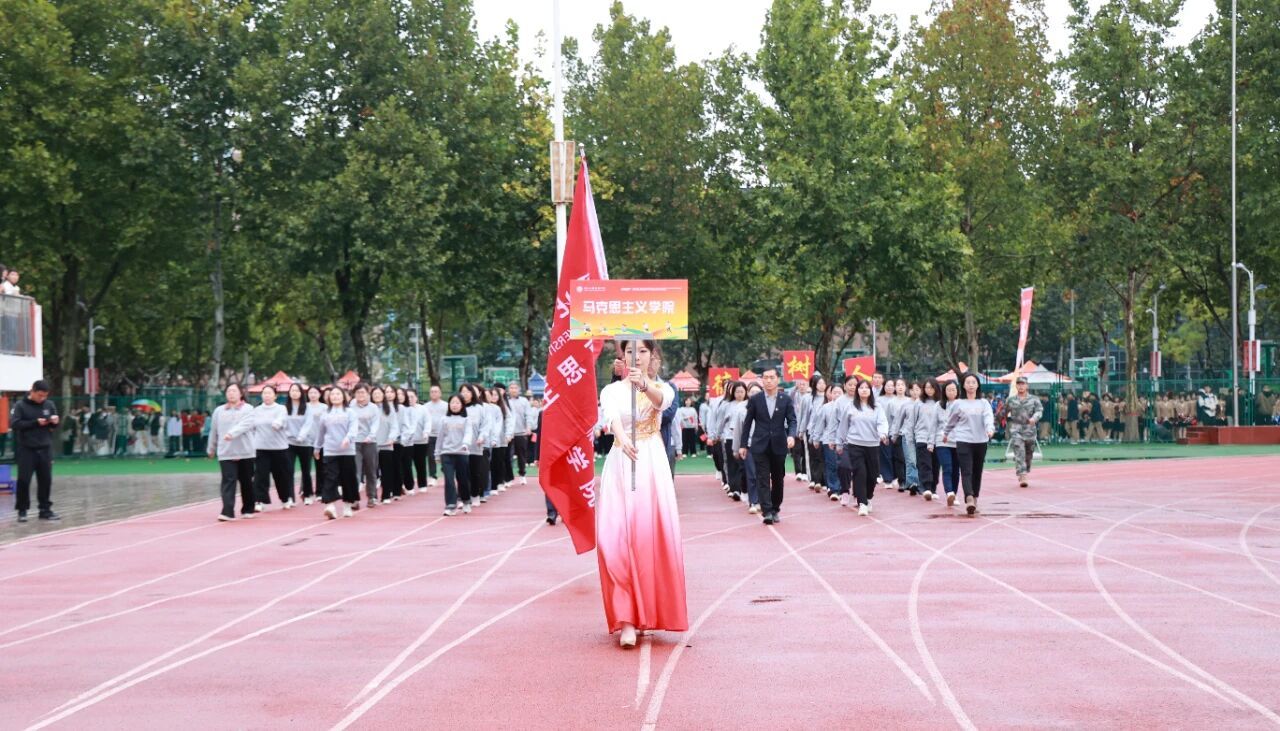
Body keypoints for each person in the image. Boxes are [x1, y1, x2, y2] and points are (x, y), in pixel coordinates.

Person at [595, 339, 687, 648]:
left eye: (643, 351)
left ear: (652, 355)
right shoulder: (611, 391)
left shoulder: (664, 388)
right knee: (614, 539)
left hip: (651, 462)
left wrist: (644, 384)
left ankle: (645, 613)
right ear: (622, 356)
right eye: (630, 351)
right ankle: (626, 619)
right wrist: (622, 438)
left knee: (647, 537)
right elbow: (611, 420)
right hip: (622, 461)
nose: (636, 356)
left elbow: (661, 402)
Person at [738, 366, 798, 526]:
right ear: (762, 380)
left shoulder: (785, 399)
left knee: (778, 478)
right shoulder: (755, 399)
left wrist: (791, 435)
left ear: (778, 379)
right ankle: (767, 511)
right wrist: (743, 445)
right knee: (762, 478)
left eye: (772, 377)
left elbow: (792, 420)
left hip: (779, 445)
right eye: (766, 378)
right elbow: (747, 423)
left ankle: (775, 508)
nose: (769, 381)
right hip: (759, 445)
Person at [942, 372, 995, 516]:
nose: (971, 385)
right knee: (966, 470)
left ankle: (975, 497)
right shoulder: (958, 403)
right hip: (963, 440)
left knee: (977, 470)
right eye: (968, 382)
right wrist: (945, 434)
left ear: (978, 385)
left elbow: (988, 417)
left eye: (973, 382)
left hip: (981, 441)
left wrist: (989, 429)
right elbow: (951, 420)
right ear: (963, 386)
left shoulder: (984, 403)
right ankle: (969, 498)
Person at [836, 377, 888, 516]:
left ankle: (868, 497)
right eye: (861, 388)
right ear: (857, 391)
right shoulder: (850, 406)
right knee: (860, 473)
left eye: (866, 388)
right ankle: (862, 503)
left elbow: (882, 422)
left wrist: (883, 433)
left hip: (873, 445)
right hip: (855, 444)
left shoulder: (877, 407)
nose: (864, 390)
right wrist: (839, 443)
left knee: (872, 475)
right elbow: (843, 426)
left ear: (870, 391)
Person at [10, 380, 61, 522]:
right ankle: (22, 510)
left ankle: (45, 509)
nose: (42, 398)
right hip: (27, 449)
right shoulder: (20, 405)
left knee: (45, 480)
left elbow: (53, 427)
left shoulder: (49, 405)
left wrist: (55, 422)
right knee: (24, 480)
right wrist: (35, 423)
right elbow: (15, 424)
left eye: (45, 396)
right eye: (39, 395)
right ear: (32, 391)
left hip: (45, 448)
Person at [207, 383, 257, 521]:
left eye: (234, 391)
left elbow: (246, 424)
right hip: (226, 452)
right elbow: (214, 430)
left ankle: (248, 508)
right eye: (229, 391)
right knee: (228, 481)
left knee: (246, 482)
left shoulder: (248, 409)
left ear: (241, 393)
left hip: (245, 452)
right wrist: (211, 448)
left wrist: (232, 433)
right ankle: (227, 511)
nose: (231, 393)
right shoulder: (219, 411)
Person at [312, 386, 360, 519]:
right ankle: (330, 505)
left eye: (338, 394)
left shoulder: (350, 412)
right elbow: (320, 433)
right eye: (332, 394)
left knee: (348, 478)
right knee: (330, 477)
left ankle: (347, 505)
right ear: (329, 398)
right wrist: (317, 448)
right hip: (330, 450)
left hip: (347, 451)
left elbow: (354, 429)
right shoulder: (325, 414)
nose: (335, 396)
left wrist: (348, 439)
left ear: (343, 397)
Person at [243, 384, 293, 511]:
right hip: (261, 448)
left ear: (275, 396)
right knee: (261, 475)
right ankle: (259, 501)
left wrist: (277, 423)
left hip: (279, 448)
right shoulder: (256, 410)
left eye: (269, 393)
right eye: (264, 393)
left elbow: (282, 420)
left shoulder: (281, 409)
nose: (267, 395)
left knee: (281, 475)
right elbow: (251, 427)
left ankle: (285, 498)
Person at [435, 394, 474, 516]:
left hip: (462, 453)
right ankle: (450, 505)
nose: (454, 405)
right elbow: (440, 437)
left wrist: (465, 444)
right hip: (446, 453)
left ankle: (466, 500)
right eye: (452, 402)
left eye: (457, 403)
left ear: (462, 405)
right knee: (449, 480)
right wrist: (437, 453)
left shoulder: (466, 419)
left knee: (463, 479)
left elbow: (468, 433)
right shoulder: (444, 419)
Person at [1003, 377, 1043, 488]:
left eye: (1023, 384)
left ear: (1027, 386)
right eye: (1019, 384)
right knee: (1019, 451)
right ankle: (1022, 474)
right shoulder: (1011, 400)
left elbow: (1039, 411)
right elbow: (1004, 412)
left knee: (1029, 453)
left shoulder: (1034, 399)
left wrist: (1034, 418)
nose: (1021, 386)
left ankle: (1026, 468)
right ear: (1016, 386)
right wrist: (1002, 420)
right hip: (1016, 428)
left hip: (1030, 429)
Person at [285, 384, 321, 504]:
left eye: (297, 390)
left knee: (306, 470)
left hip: (305, 443)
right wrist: (288, 435)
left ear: (301, 393)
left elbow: (308, 423)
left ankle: (307, 495)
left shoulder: (307, 408)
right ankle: (290, 497)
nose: (294, 393)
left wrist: (301, 436)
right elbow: (283, 423)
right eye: (292, 390)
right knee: (288, 470)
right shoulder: (285, 408)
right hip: (289, 443)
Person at [717, 382, 749, 502]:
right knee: (732, 464)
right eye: (737, 392)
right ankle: (735, 489)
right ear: (733, 393)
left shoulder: (749, 404)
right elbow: (721, 422)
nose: (739, 394)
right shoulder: (727, 405)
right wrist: (718, 434)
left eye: (742, 391)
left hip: (744, 438)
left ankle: (742, 488)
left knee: (743, 464)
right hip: (730, 437)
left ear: (746, 392)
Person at [350, 383, 381, 509]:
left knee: (370, 470)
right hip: (354, 442)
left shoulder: (373, 408)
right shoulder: (351, 406)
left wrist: (371, 436)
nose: (360, 395)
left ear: (368, 394)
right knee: (355, 471)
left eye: (363, 392)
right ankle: (354, 498)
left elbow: (375, 424)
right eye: (358, 393)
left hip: (369, 443)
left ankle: (372, 496)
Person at [913, 379, 941, 501]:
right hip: (922, 437)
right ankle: (927, 487)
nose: (929, 390)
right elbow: (913, 420)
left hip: (937, 439)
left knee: (935, 464)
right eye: (927, 387)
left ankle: (933, 488)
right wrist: (912, 436)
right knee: (925, 464)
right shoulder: (919, 402)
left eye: (931, 387)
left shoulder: (940, 403)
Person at [374, 385, 402, 503]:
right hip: (371, 444)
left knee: (386, 471)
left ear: (383, 395)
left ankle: (386, 495)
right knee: (373, 472)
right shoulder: (370, 408)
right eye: (374, 394)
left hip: (386, 444)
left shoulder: (389, 409)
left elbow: (394, 426)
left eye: (379, 393)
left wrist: (391, 438)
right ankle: (373, 496)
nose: (377, 396)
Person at [507, 382, 533, 485]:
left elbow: (528, 415)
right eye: (511, 388)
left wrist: (528, 427)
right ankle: (508, 478)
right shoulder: (506, 401)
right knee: (508, 456)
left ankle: (522, 475)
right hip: (508, 434)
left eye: (515, 388)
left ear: (519, 390)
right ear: (508, 390)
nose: (513, 390)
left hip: (521, 433)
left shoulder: (524, 401)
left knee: (521, 456)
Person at [424, 385, 447, 487]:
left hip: (443, 435)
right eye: (432, 391)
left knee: (444, 455)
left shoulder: (446, 405)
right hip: (430, 435)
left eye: (436, 391)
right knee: (431, 456)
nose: (434, 393)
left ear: (440, 393)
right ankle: (432, 476)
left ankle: (446, 472)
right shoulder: (425, 407)